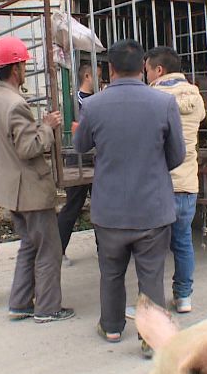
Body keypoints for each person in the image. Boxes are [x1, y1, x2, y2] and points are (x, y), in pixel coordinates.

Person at [72, 40, 185, 357]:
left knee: (111, 272)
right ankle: (151, 340)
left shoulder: (93, 106)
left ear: (110, 68)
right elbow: (177, 156)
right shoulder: (163, 103)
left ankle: (111, 327)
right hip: (152, 209)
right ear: (142, 68)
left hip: (109, 212)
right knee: (151, 276)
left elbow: (80, 147)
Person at [0, 35, 75, 324]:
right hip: (30, 191)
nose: (25, 70)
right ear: (14, 69)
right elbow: (28, 148)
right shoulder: (15, 104)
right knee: (49, 249)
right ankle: (47, 308)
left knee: (29, 246)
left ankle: (20, 303)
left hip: (9, 190)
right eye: (23, 65)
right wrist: (46, 127)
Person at [143, 46, 206, 313]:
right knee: (183, 242)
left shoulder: (151, 99)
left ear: (159, 70)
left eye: (146, 70)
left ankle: (152, 302)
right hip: (187, 184)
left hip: (160, 185)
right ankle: (183, 297)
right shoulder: (196, 97)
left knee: (153, 248)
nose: (145, 76)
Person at [58, 63, 99, 266]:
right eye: (98, 76)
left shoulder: (99, 99)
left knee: (101, 204)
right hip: (78, 157)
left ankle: (104, 249)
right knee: (73, 205)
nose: (101, 80)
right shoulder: (76, 102)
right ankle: (58, 251)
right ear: (87, 76)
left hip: (96, 157)